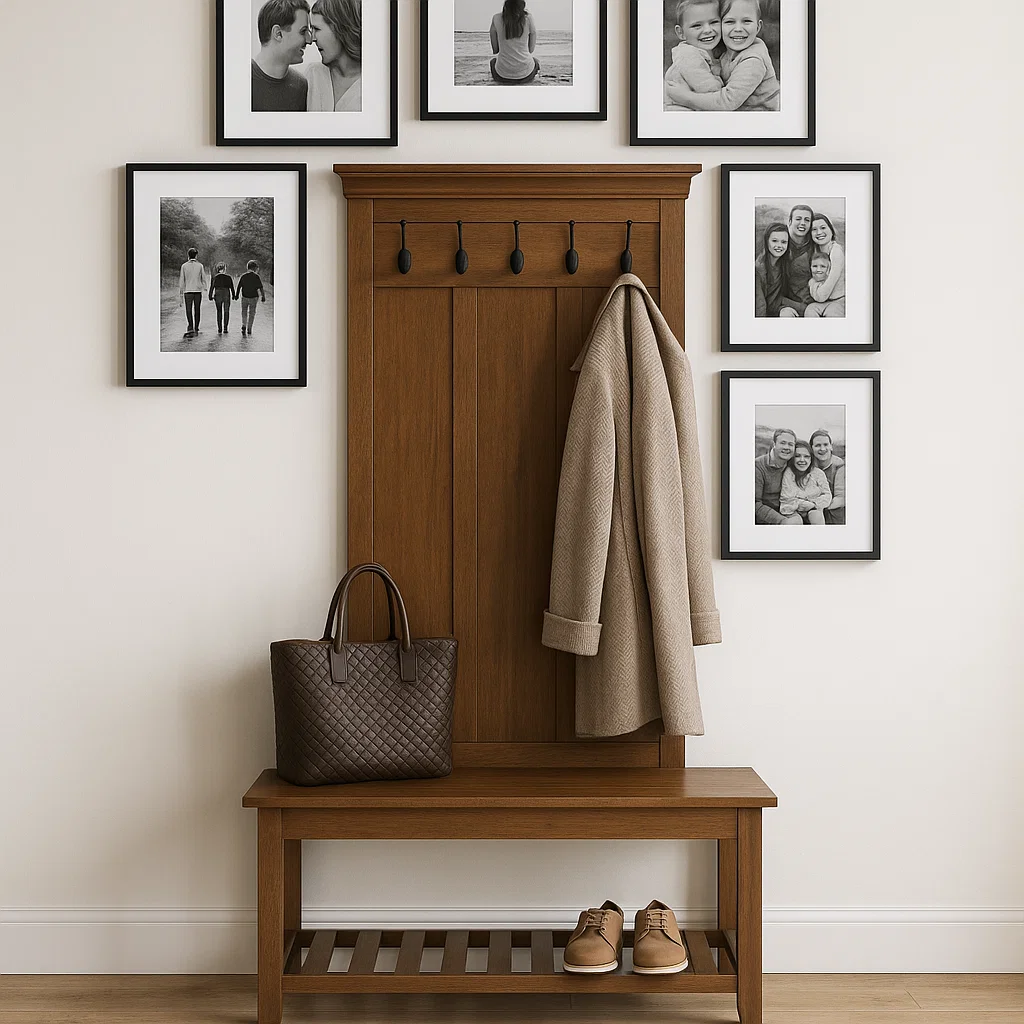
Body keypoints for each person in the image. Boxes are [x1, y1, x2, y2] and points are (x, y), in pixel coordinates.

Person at [664, 0, 780, 112]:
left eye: (747, 21)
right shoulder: (693, 55)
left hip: (760, 114)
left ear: (758, 27)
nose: (738, 29)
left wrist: (686, 97)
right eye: (729, 22)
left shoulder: (754, 61)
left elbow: (726, 101)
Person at [664, 0, 724, 111]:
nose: (707, 30)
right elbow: (710, 90)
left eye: (714, 22)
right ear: (681, 33)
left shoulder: (709, 53)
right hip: (677, 109)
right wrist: (726, 91)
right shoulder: (687, 54)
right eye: (697, 25)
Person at [252, 0, 311, 112]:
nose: (309, 40)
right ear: (278, 33)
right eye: (303, 31)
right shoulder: (240, 79)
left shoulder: (301, 85)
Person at [306, 0, 362, 111]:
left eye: (316, 29)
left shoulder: (375, 84)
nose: (312, 39)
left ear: (340, 29)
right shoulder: (312, 74)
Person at [754, 428, 803, 525]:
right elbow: (755, 503)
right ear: (774, 444)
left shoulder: (794, 464)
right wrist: (781, 521)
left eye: (790, 444)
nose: (786, 447)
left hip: (788, 510)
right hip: (766, 517)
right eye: (783, 443)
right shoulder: (758, 466)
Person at [780, 441, 832, 524]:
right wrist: (801, 504)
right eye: (797, 456)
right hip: (793, 510)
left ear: (811, 458)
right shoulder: (789, 473)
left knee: (816, 515)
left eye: (806, 456)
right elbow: (787, 498)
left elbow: (827, 495)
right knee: (795, 521)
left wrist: (814, 504)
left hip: (814, 507)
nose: (802, 460)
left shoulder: (818, 473)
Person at [805, 214, 846, 318]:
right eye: (814, 229)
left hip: (839, 300)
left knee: (832, 314)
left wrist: (812, 284)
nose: (819, 232)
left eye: (823, 228)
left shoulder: (836, 251)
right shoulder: (815, 252)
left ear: (831, 230)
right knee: (810, 310)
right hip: (822, 300)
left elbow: (822, 295)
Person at [489, 1, 540, 85]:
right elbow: (530, 50)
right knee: (535, 61)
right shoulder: (528, 18)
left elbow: (495, 50)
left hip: (502, 76)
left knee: (492, 62)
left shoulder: (496, 18)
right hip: (526, 75)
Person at [777, 204, 815, 317]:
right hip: (785, 304)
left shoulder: (815, 246)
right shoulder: (779, 245)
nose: (802, 223)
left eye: (807, 220)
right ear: (789, 221)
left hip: (812, 304)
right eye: (798, 219)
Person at [810, 429, 846, 525]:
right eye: (817, 445)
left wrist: (814, 505)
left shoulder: (839, 465)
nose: (822, 449)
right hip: (811, 513)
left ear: (831, 447)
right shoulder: (807, 465)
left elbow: (840, 498)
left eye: (825, 444)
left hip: (833, 513)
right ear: (811, 448)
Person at [755, 221, 789, 318]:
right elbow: (760, 307)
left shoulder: (782, 264)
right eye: (774, 241)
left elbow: (777, 298)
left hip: (776, 306)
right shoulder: (758, 269)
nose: (779, 245)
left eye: (783, 242)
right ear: (767, 241)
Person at [178, 248, 208, 339]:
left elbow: (182, 279)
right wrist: (205, 288)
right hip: (197, 290)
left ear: (188, 255)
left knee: (188, 309)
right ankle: (196, 326)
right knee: (197, 309)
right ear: (196, 255)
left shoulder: (184, 266)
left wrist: (181, 292)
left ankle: (190, 325)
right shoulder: (200, 266)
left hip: (188, 290)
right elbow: (203, 278)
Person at [236, 260, 266, 338]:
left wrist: (236, 295)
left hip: (245, 297)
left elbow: (239, 286)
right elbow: (261, 287)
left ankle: (244, 324)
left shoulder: (243, 276)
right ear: (254, 268)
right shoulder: (256, 276)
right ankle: (249, 328)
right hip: (254, 297)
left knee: (244, 312)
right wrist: (263, 296)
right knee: (252, 313)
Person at [208, 263, 236, 336]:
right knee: (226, 311)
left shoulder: (215, 277)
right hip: (226, 293)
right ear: (224, 269)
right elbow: (232, 287)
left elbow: (212, 287)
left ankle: (219, 328)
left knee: (219, 311)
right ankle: (225, 328)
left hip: (218, 293)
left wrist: (210, 295)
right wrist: (234, 295)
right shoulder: (228, 277)